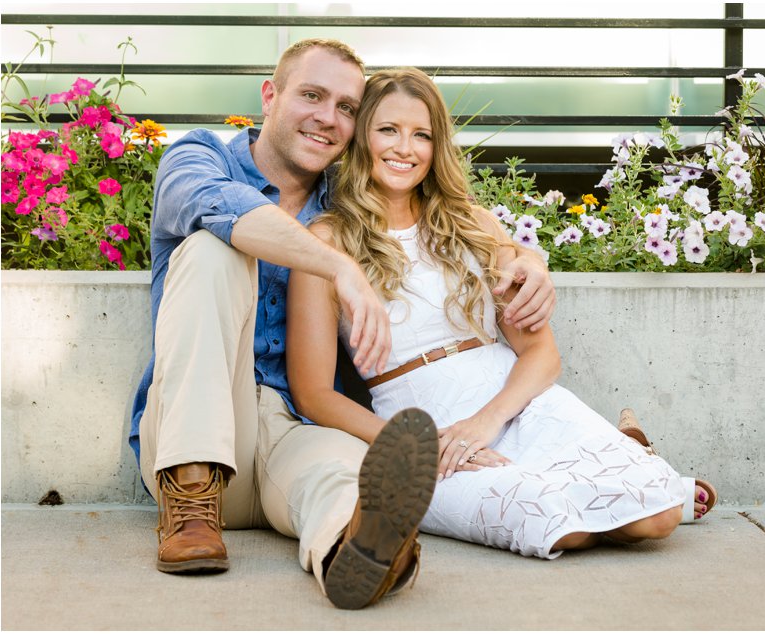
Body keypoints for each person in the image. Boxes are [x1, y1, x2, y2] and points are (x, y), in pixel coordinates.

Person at [128, 40, 556, 610]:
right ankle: (188, 503)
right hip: (196, 429)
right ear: (270, 96)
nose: (328, 118)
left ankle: (360, 554)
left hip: (293, 430)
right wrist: (338, 266)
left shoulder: (348, 201)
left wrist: (529, 259)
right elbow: (217, 205)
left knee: (343, 480)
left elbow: (452, 219)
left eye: (347, 108)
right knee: (214, 250)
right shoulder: (198, 157)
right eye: (311, 95)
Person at [286, 67, 717, 563]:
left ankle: (630, 473)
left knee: (659, 520)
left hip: (512, 399)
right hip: (421, 424)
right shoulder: (326, 242)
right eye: (388, 130)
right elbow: (313, 392)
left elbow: (541, 353)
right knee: (554, 526)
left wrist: (485, 422)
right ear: (362, 137)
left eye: (421, 135)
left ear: (437, 146)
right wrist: (415, 446)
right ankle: (628, 466)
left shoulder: (473, 224)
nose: (405, 148)